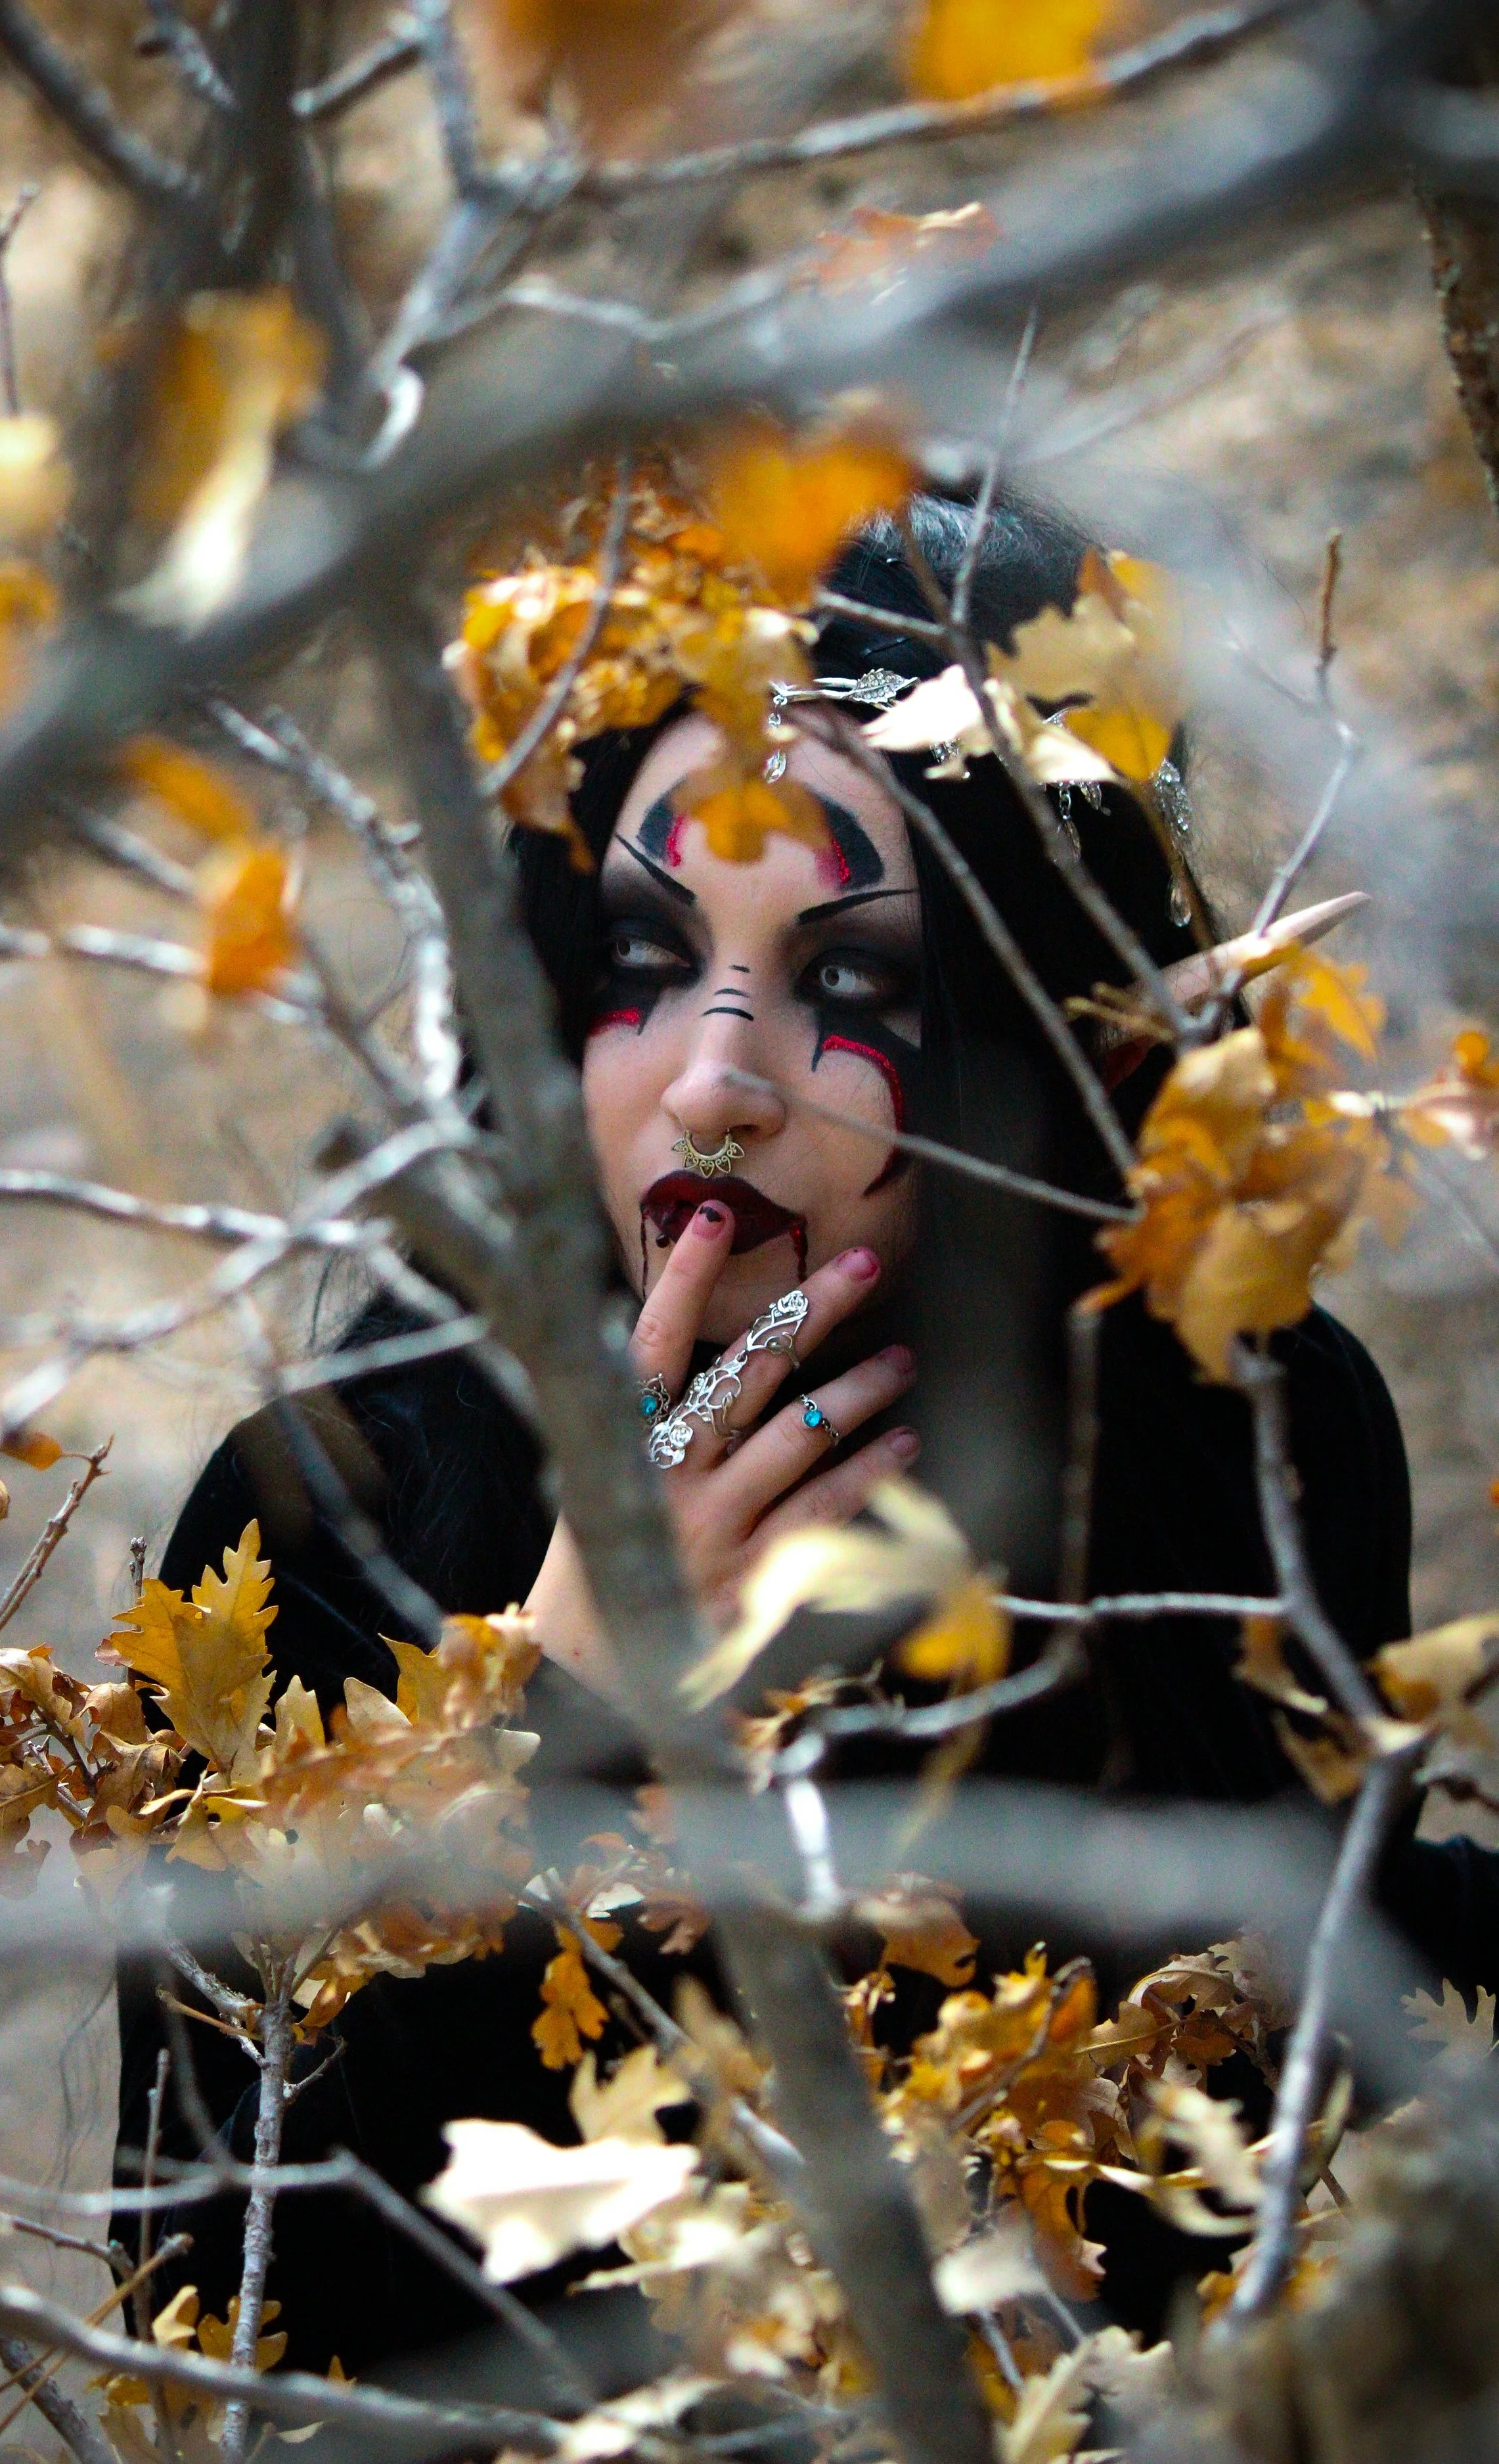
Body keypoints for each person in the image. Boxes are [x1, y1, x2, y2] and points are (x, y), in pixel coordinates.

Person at [115, 487, 1496, 2377]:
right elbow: (234, 2313)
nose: (714, 1087)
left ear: (1043, 1034)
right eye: (642, 955)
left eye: (855, 980)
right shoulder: (327, 1517)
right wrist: (556, 1713)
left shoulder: (1244, 1416)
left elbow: (1305, 2058)